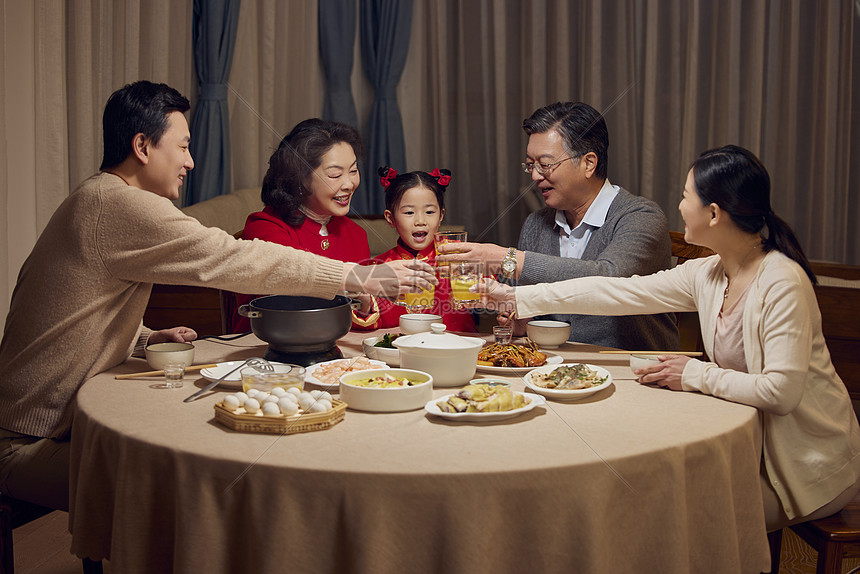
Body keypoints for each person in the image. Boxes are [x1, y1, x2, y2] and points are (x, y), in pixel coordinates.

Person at [0, 81, 434, 511]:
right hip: (28, 439)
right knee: (206, 490)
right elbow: (231, 257)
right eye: (183, 146)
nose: (190, 161)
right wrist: (357, 276)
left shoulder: (99, 199)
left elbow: (72, 309)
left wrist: (142, 338)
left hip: (65, 421)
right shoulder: (120, 205)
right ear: (142, 146)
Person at [480, 145, 860, 532]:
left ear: (713, 213)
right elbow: (617, 292)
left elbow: (781, 392)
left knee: (673, 519)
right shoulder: (708, 271)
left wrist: (694, 374)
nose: (679, 207)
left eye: (685, 196)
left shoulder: (781, 281)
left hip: (807, 468)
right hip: (755, 447)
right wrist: (519, 298)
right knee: (647, 496)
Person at [437, 101, 679, 351]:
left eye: (546, 164)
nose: (535, 176)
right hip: (550, 371)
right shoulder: (536, 224)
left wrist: (507, 258)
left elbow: (610, 278)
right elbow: (519, 312)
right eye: (531, 164)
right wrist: (516, 320)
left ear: (588, 163)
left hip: (634, 370)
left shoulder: (640, 216)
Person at [232, 118, 376, 333]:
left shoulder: (355, 234)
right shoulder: (265, 228)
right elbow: (292, 299)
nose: (349, 184)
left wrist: (365, 306)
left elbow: (358, 313)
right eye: (335, 175)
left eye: (353, 171)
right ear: (300, 178)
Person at [367, 166, 476, 331]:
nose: (420, 221)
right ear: (390, 218)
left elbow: (489, 286)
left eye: (430, 212)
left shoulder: (457, 254)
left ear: (441, 216)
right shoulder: (380, 266)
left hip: (456, 347)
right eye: (409, 213)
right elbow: (370, 319)